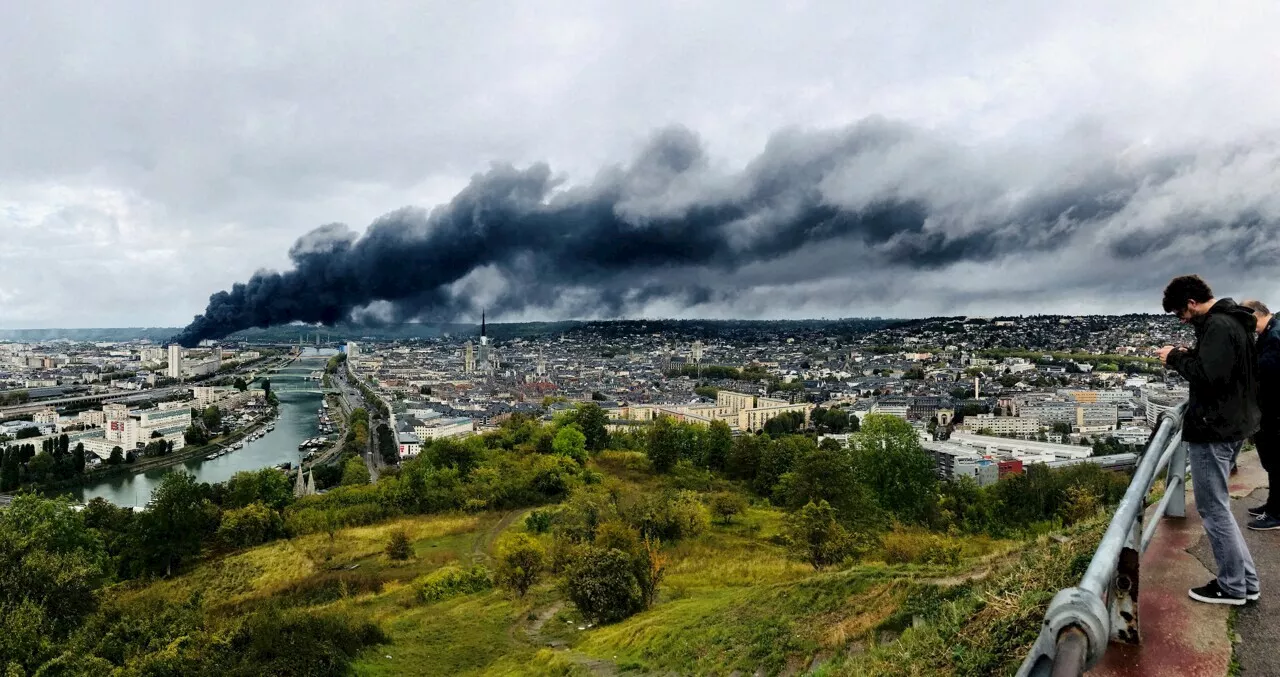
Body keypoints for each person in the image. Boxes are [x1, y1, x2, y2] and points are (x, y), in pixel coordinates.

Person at [1158, 275, 1261, 605]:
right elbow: (1222, 369)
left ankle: (1232, 586)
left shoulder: (1217, 326)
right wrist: (1192, 354)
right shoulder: (1236, 322)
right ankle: (1246, 581)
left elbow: (1208, 378)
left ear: (1191, 303)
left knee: (1213, 510)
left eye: (1180, 314)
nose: (1182, 320)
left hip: (1213, 429)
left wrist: (1174, 357)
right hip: (1232, 425)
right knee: (1220, 509)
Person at [1243, 299, 1280, 530]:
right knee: (1273, 464)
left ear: (1255, 315)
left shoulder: (1275, 338)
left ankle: (1277, 514)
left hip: (1275, 413)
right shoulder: (1270, 333)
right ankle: (1272, 505)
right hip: (1271, 412)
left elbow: (1264, 373)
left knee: (1277, 463)